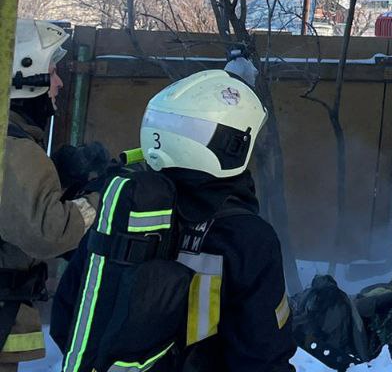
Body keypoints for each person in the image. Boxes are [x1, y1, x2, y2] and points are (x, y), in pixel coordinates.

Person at [53, 69, 296, 372]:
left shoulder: (121, 212)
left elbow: (67, 319)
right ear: (233, 145)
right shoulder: (248, 236)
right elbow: (263, 356)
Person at [0, 19, 98, 371]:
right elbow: (47, 233)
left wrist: (59, 178)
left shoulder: (11, 140)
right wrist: (98, 195)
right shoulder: (14, 148)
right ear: (25, 77)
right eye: (53, 72)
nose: (58, 83)